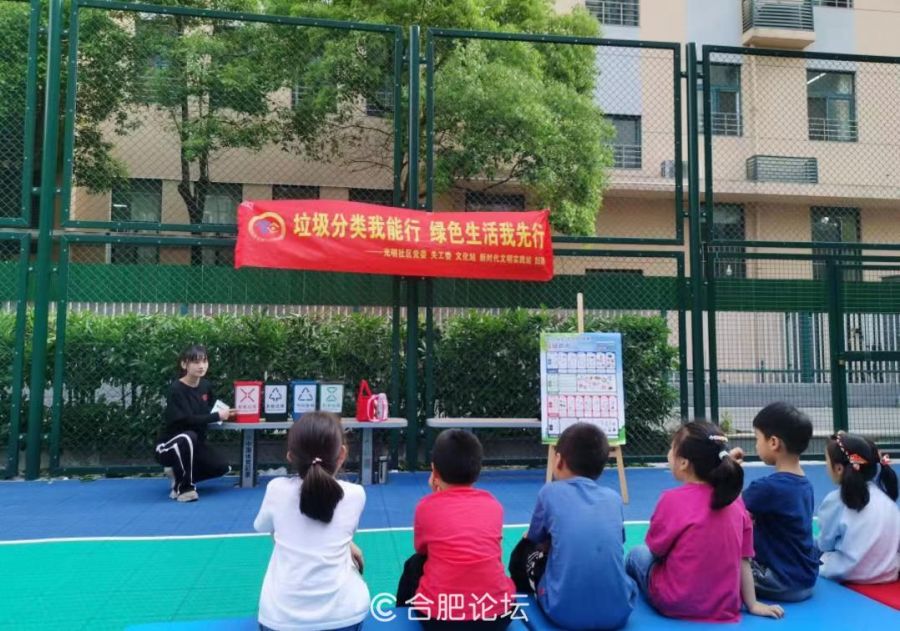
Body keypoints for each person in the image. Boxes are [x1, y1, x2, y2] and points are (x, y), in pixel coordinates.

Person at [625, 420, 784, 622]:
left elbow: (656, 550)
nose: (669, 454)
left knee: (636, 554)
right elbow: (743, 558)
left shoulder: (671, 500)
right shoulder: (735, 502)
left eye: (671, 449)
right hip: (724, 605)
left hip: (674, 601)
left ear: (684, 462)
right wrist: (752, 604)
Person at [509, 423, 635, 630]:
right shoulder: (613, 498)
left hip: (563, 613)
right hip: (619, 612)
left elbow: (534, 539)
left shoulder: (549, 493)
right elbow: (616, 541)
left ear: (559, 460)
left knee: (524, 552)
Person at [254, 412, 369, 631]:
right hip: (345, 617)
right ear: (342, 454)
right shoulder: (355, 494)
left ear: (290, 456)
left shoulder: (276, 490)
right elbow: (336, 532)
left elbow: (263, 527)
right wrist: (348, 545)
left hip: (279, 620)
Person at [396, 429, 516, 629]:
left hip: (439, 621)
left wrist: (436, 496)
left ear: (434, 471)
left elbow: (422, 549)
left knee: (415, 563)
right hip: (498, 617)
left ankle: (400, 616)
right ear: (478, 471)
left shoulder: (425, 507)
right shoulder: (493, 505)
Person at [729, 402, 819, 601]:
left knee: (716, 563)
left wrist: (728, 471)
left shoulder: (767, 488)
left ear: (773, 443)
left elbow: (728, 507)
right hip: (805, 580)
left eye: (757, 438)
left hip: (778, 581)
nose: (756, 444)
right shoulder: (805, 484)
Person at [817, 431, 900, 584]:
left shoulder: (836, 500)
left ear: (839, 468)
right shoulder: (887, 501)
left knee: (811, 550)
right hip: (888, 572)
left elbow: (825, 544)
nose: (825, 466)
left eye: (826, 461)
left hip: (848, 572)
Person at [154, 344, 232, 502]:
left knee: (223, 467)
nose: (201, 366)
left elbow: (209, 411)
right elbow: (187, 419)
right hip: (167, 447)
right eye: (196, 362)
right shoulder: (175, 389)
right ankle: (184, 489)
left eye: (204, 361)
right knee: (188, 436)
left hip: (195, 445)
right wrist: (217, 416)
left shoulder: (206, 386)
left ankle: (178, 475)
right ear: (184, 364)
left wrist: (226, 414)